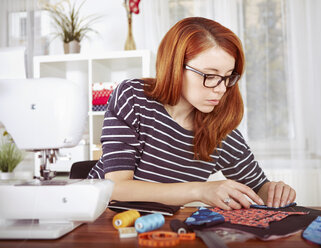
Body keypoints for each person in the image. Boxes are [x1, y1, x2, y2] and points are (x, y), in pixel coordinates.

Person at [88, 17, 296, 210]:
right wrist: (200, 190)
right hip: (97, 217)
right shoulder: (133, 98)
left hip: (160, 226)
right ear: (175, 67)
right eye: (210, 75)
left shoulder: (223, 133)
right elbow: (115, 187)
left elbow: (259, 187)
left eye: (227, 77)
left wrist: (275, 191)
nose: (221, 89)